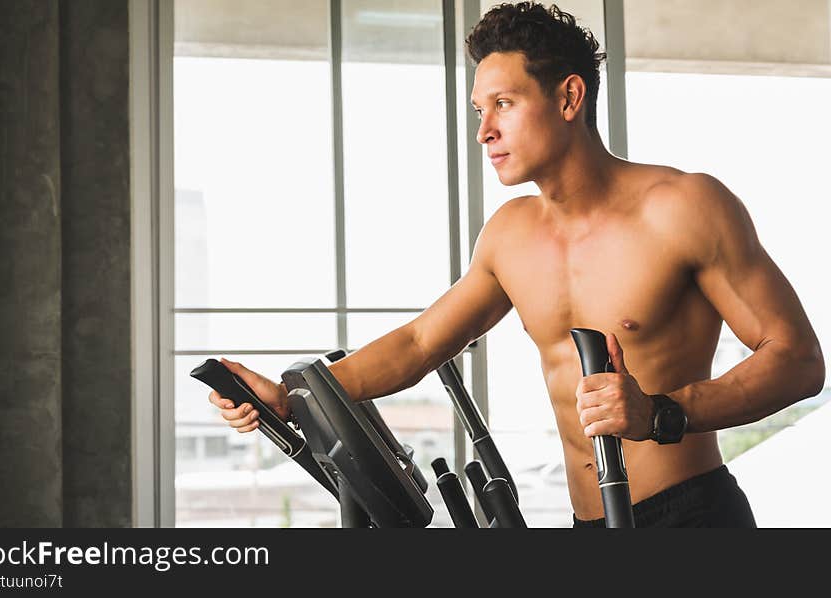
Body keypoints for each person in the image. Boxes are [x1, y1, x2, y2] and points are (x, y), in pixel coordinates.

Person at [208, 2, 825, 527]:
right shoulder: (510, 235)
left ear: (569, 97)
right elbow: (421, 342)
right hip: (586, 524)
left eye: (502, 104)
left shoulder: (683, 208)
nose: (484, 132)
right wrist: (292, 395)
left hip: (691, 516)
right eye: (480, 110)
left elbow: (797, 361)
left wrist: (663, 412)